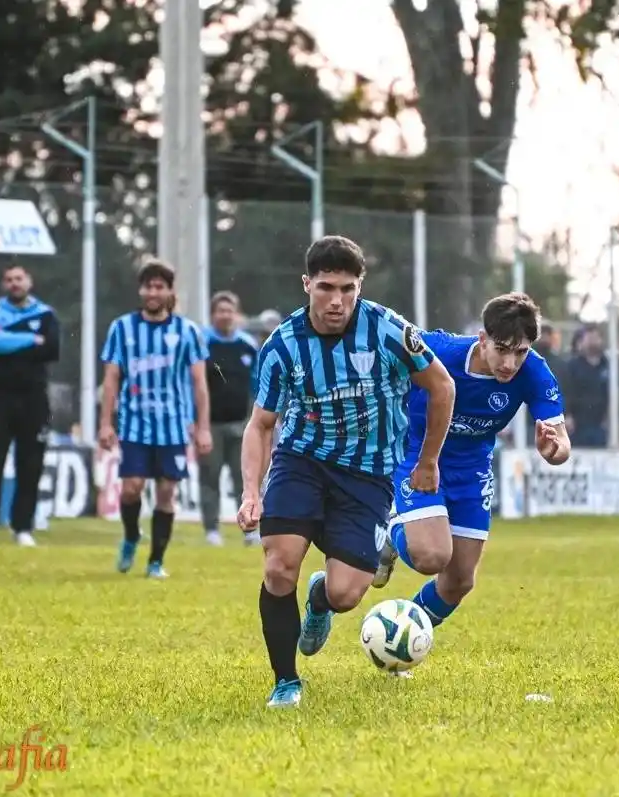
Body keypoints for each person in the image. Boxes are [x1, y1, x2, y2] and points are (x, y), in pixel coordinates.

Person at [235, 235, 456, 709]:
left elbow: (442, 385)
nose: (337, 301)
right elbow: (261, 425)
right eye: (326, 287)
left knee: (345, 594)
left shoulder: (390, 331)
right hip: (302, 462)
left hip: (367, 475)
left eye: (348, 289)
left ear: (360, 287)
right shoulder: (282, 345)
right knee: (278, 566)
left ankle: (320, 601)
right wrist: (251, 492)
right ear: (306, 285)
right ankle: (286, 682)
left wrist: (428, 460)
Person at [372, 293, 571, 650]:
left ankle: (399, 639)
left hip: (473, 467)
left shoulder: (535, 372)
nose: (511, 362)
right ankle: (390, 529)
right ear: (482, 339)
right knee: (431, 557)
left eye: (521, 351)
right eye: (503, 349)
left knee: (459, 581)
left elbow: (562, 442)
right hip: (418, 452)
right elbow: (383, 357)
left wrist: (553, 450)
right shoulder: (439, 351)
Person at [98, 259, 213, 579]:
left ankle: (155, 562)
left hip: (174, 427)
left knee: (166, 494)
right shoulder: (122, 328)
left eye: (159, 286)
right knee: (132, 488)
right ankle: (132, 535)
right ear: (140, 290)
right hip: (135, 425)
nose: (153, 291)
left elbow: (199, 384)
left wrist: (203, 427)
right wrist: (106, 423)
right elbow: (111, 379)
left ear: (169, 291)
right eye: (148, 286)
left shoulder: (187, 331)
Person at [0, 265, 60, 547]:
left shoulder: (45, 314)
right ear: (3, 285)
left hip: (34, 398)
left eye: (19, 279)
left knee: (30, 463)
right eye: (9, 280)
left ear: (29, 282)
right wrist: (30, 339)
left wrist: (14, 341)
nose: (14, 284)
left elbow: (52, 349)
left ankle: (23, 527)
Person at [200, 290, 260, 547]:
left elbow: (258, 384)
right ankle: (211, 529)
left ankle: (249, 529)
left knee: (245, 477)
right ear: (213, 314)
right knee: (210, 477)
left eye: (229, 310)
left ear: (236, 314)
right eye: (220, 310)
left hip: (241, 423)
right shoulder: (203, 344)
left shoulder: (248, 345)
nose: (225, 315)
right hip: (211, 424)